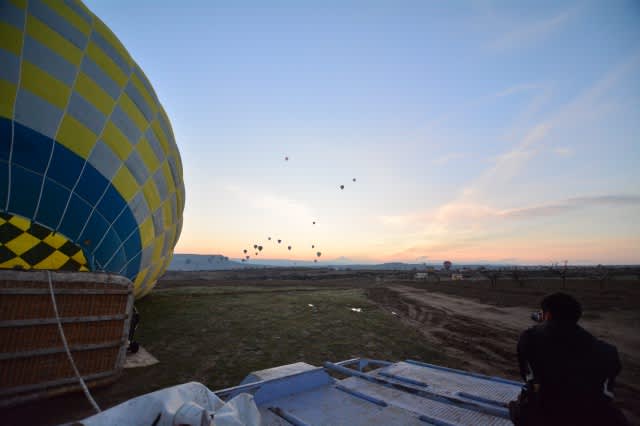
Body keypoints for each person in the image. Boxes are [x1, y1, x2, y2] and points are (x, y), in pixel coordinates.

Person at [509, 292, 628, 426]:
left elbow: (528, 378)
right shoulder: (608, 351)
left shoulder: (529, 339)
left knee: (517, 406)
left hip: (544, 415)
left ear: (547, 315)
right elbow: (606, 394)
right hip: (593, 417)